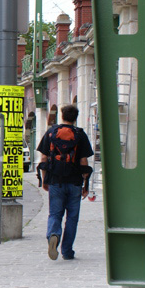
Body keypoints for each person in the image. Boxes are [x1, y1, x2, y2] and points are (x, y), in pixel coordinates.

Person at [36, 104, 94, 261]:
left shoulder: (51, 133)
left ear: (62, 116)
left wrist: (45, 180)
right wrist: (85, 185)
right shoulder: (80, 135)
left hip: (55, 180)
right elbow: (84, 162)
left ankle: (53, 235)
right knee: (72, 218)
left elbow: (43, 159)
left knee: (55, 214)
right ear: (76, 117)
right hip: (74, 182)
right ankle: (67, 251)